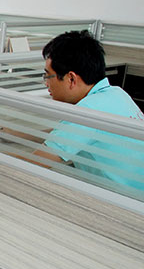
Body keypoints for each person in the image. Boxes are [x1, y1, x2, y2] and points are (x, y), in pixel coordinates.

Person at [33, 30, 144, 190]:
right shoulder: (117, 93)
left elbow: (35, 162)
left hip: (123, 201)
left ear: (71, 78)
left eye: (48, 76)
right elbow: (64, 134)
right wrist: (15, 133)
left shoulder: (88, 111)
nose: (46, 83)